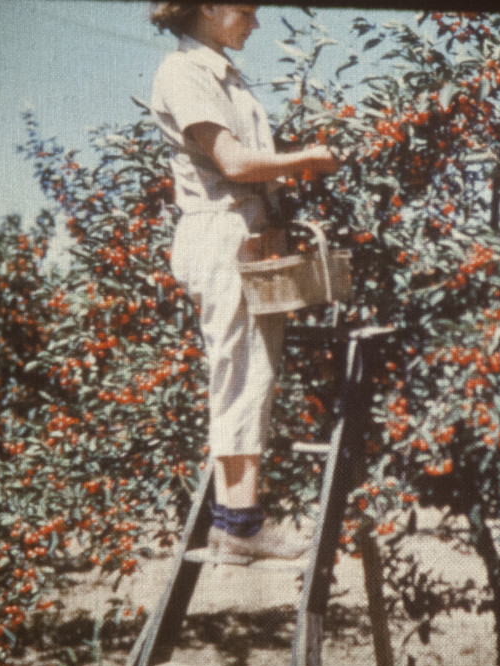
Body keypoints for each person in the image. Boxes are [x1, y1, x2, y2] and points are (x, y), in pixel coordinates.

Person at [149, 4, 340, 559]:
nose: (254, 24)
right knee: (238, 371)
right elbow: (232, 162)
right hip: (221, 234)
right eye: (247, 10)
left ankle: (240, 516)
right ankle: (239, 524)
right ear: (208, 7)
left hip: (248, 234)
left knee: (255, 371)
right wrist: (305, 159)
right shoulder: (182, 72)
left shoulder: (222, 75)